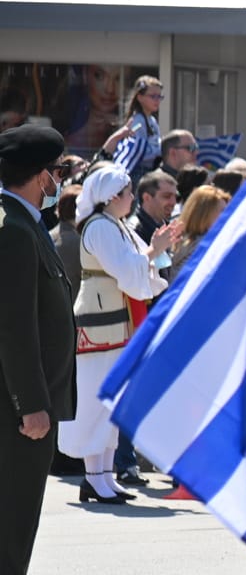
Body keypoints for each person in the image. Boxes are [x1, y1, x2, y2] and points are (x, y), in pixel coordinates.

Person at [57, 164, 176, 503]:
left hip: (115, 319)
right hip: (101, 323)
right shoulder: (99, 227)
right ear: (111, 197)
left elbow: (138, 267)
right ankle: (94, 477)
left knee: (111, 403)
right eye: (126, 193)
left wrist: (156, 250)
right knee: (97, 400)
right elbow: (127, 268)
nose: (131, 198)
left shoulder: (114, 225)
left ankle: (104, 476)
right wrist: (155, 249)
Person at [0, 125, 77, 575]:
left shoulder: (25, 223)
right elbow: (14, 327)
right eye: (57, 171)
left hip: (32, 401)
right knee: (13, 510)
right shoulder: (13, 229)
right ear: (40, 175)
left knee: (20, 510)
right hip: (18, 408)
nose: (59, 181)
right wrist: (30, 403)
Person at [97, 75, 162, 175]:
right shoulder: (137, 121)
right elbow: (138, 148)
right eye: (153, 96)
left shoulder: (152, 120)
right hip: (137, 170)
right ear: (140, 97)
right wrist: (159, 150)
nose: (157, 100)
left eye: (159, 96)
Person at [167, 183, 230, 281]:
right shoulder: (204, 246)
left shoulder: (179, 238)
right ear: (204, 214)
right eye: (222, 211)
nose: (227, 216)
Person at [132, 170, 179, 243]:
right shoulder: (133, 230)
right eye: (167, 196)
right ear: (147, 198)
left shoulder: (170, 228)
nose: (173, 202)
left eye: (176, 197)